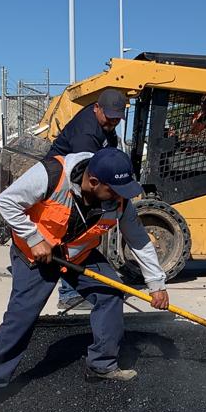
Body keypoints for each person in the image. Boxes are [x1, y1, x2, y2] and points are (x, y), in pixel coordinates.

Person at [0, 148, 169, 412]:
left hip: (78, 254)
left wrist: (157, 283)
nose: (121, 196)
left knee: (110, 292)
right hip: (35, 255)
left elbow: (139, 240)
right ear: (93, 182)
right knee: (22, 315)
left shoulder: (118, 202)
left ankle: (102, 363)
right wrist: (34, 238)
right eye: (116, 190)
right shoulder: (51, 174)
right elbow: (6, 202)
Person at [49, 88, 129, 310]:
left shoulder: (106, 125)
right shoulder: (87, 133)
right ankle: (68, 293)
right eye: (109, 116)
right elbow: (89, 170)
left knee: (81, 237)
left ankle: (80, 287)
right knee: (72, 235)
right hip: (64, 187)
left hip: (82, 185)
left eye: (117, 117)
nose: (113, 121)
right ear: (97, 108)